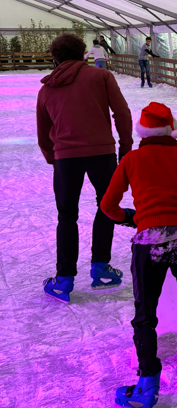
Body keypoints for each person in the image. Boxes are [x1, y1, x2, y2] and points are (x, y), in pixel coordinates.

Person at [100, 102, 177, 408]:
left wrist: (130, 217)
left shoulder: (131, 159)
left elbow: (108, 205)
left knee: (145, 315)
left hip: (147, 244)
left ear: (143, 133)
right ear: (171, 129)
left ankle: (146, 388)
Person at [37, 32, 133, 303]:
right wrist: (125, 147)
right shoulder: (101, 77)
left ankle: (64, 279)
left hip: (65, 158)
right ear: (83, 54)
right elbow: (122, 113)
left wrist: (53, 157)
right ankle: (100, 267)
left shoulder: (47, 89)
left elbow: (43, 132)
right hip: (102, 154)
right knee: (106, 205)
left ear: (55, 58)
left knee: (67, 215)